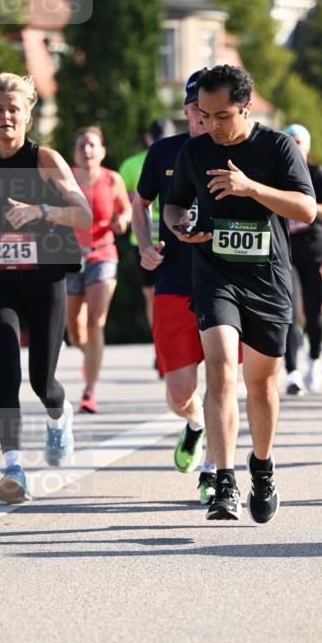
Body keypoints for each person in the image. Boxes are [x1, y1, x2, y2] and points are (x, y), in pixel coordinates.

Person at [164, 64, 316, 523]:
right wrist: (179, 226)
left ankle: (263, 469)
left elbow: (307, 209)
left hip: (268, 280)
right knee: (220, 370)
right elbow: (173, 204)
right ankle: (223, 482)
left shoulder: (277, 146)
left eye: (222, 116)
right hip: (216, 276)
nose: (212, 125)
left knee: (262, 386)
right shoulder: (195, 151)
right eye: (204, 115)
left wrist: (251, 188)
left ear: (246, 108)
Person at [0, 73, 91, 503]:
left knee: (42, 382)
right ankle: (13, 468)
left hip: (45, 278)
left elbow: (82, 213)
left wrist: (41, 210)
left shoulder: (44, 159)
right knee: (5, 373)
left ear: (27, 113)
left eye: (13, 109)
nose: (5, 117)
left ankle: (58, 417)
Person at [132, 70, 220, 505]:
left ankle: (213, 471)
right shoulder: (163, 152)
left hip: (225, 283)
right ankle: (196, 425)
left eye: (208, 110)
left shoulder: (233, 153)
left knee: (223, 383)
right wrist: (145, 246)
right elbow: (140, 202)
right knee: (179, 394)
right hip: (173, 282)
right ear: (186, 111)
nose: (201, 117)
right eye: (194, 109)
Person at [67, 126, 131, 413]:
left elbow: (126, 208)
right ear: (74, 152)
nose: (87, 150)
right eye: (82, 146)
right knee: (75, 332)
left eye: (92, 145)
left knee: (95, 320)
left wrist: (123, 221)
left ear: (102, 151)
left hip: (103, 255)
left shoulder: (112, 179)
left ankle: (89, 391)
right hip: (69, 260)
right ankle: (90, 357)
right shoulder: (64, 178)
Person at [281, 124, 322, 395]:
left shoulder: (318, 175)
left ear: (307, 146)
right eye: (288, 140)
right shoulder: (274, 174)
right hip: (284, 248)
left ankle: (314, 357)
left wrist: (307, 208)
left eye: (298, 141)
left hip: (312, 244)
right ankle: (291, 372)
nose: (294, 145)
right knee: (287, 310)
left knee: (314, 311)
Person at [118, 120, 165, 332]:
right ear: (148, 137)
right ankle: (158, 342)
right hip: (143, 238)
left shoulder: (177, 156)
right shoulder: (130, 165)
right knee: (151, 294)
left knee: (169, 294)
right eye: (156, 137)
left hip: (171, 235)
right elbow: (121, 199)